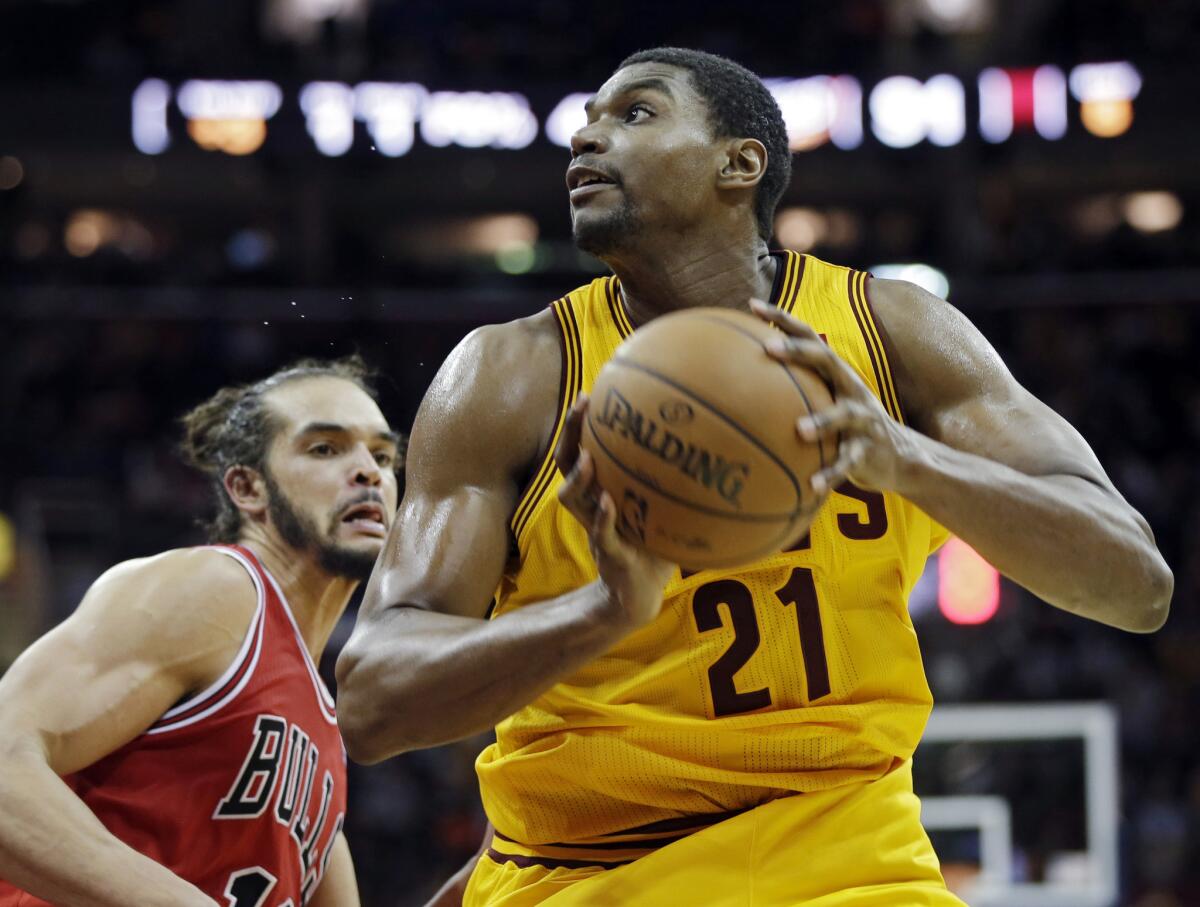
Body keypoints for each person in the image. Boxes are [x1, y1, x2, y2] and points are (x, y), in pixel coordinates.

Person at [336, 47, 1173, 906]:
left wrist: (906, 458)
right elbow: (371, 702)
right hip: (585, 869)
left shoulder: (892, 336)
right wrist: (606, 610)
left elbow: (1136, 585)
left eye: (634, 114)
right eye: (586, 117)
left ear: (740, 164)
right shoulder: (509, 375)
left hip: (848, 862)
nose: (585, 136)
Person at [0, 356, 402, 907]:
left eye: (382, 455)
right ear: (248, 488)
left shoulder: (325, 742)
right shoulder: (215, 589)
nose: (368, 472)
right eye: (325, 448)